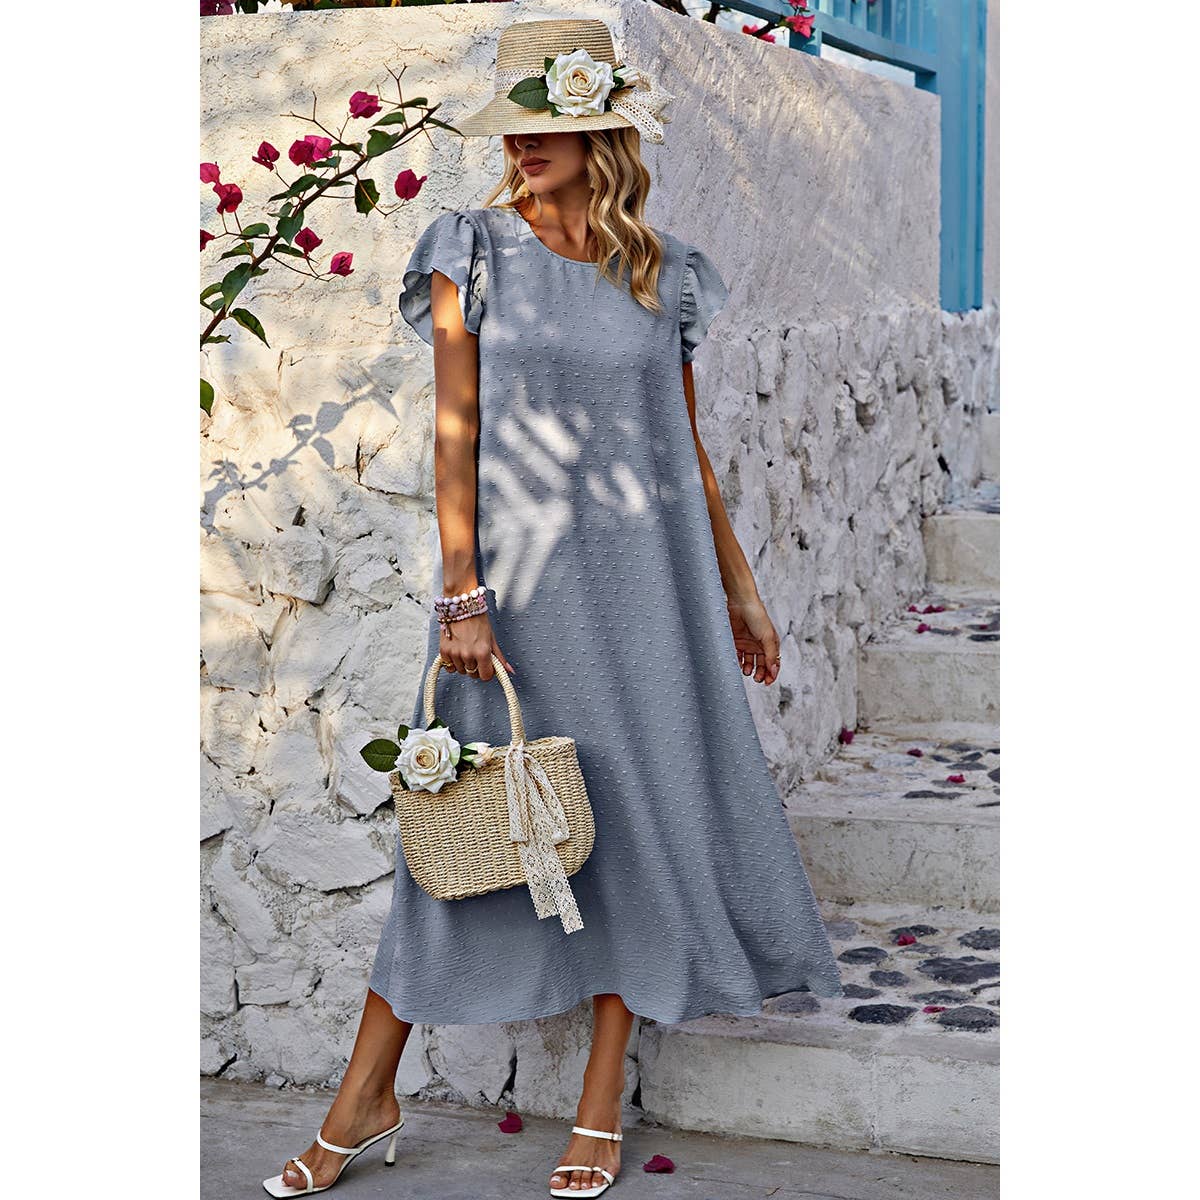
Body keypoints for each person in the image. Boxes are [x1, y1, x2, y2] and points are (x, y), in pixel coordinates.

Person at [263, 17, 841, 1199]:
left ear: (602, 130)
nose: (523, 146)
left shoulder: (664, 269)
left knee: (639, 823)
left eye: (548, 124)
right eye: (512, 127)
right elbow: (455, 433)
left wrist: (737, 585)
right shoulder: (471, 248)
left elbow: (683, 443)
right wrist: (462, 593)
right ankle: (365, 1095)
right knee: (455, 840)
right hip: (516, 597)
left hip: (654, 593)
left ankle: (599, 1101)